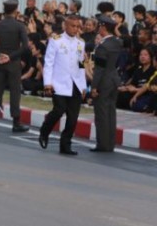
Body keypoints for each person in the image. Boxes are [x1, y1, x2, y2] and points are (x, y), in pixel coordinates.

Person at [38, 15, 87, 155]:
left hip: (75, 84)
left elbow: (81, 66)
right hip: (59, 84)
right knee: (59, 110)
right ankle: (44, 131)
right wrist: (47, 83)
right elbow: (49, 63)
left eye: (78, 26)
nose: (76, 29)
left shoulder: (80, 43)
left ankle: (65, 145)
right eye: (73, 26)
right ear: (65, 25)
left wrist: (83, 85)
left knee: (72, 118)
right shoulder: (56, 40)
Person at [0, 0, 29, 132]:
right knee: (15, 93)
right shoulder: (20, 26)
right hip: (14, 63)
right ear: (16, 10)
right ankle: (16, 122)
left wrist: (0, 55)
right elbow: (25, 46)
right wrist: (10, 57)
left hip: (0, 62)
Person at [90, 15, 123, 152]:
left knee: (102, 113)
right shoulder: (117, 42)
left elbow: (99, 69)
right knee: (111, 112)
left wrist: (94, 87)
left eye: (100, 26)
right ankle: (110, 143)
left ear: (103, 27)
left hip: (103, 81)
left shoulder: (102, 47)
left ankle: (102, 144)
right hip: (114, 79)